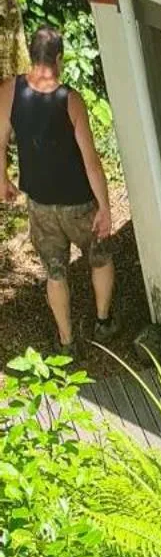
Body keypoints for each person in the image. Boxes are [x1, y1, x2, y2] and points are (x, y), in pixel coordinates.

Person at [0, 23, 117, 355]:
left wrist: (3, 180)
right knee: (99, 258)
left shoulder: (10, 91)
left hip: (40, 203)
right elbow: (91, 161)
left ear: (32, 56)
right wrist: (105, 208)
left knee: (55, 271)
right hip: (79, 202)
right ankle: (104, 321)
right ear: (60, 58)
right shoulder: (70, 100)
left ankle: (66, 341)